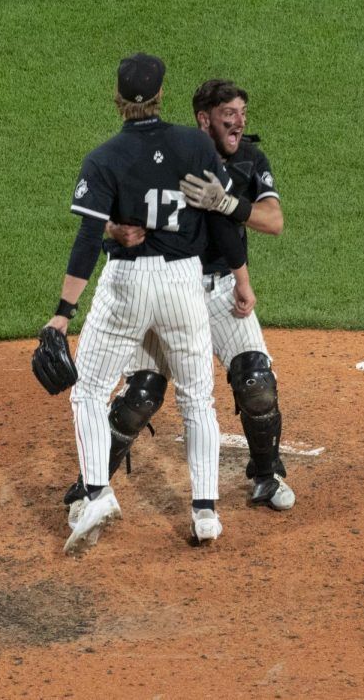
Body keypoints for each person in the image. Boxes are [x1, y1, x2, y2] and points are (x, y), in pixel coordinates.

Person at [45, 54, 256, 556]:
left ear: (117, 100)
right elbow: (222, 218)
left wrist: (63, 312)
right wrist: (241, 279)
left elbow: (87, 238)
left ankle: (97, 493)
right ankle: (205, 513)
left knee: (89, 391)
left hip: (128, 282)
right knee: (197, 399)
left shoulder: (104, 158)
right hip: (185, 283)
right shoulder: (195, 145)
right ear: (161, 96)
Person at [63, 78, 294, 513]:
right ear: (205, 119)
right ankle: (90, 487)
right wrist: (114, 230)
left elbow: (274, 220)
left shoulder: (249, 160)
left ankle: (266, 475)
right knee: (141, 395)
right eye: (229, 115)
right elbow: (113, 209)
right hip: (170, 290)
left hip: (220, 289)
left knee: (256, 382)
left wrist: (228, 204)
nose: (239, 123)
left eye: (243, 114)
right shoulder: (176, 151)